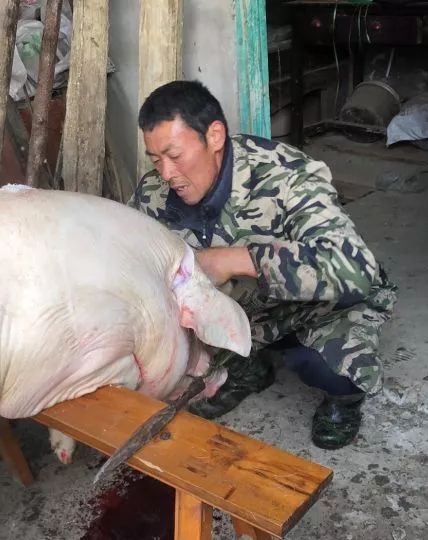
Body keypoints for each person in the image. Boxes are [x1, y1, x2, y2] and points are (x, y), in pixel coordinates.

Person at [127, 80, 397, 450]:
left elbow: (353, 267)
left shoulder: (287, 175)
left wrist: (235, 259)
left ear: (215, 136)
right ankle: (247, 369)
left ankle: (343, 399)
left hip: (312, 308)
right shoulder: (154, 192)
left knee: (330, 367)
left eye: (175, 155)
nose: (167, 173)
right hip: (243, 309)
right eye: (156, 159)